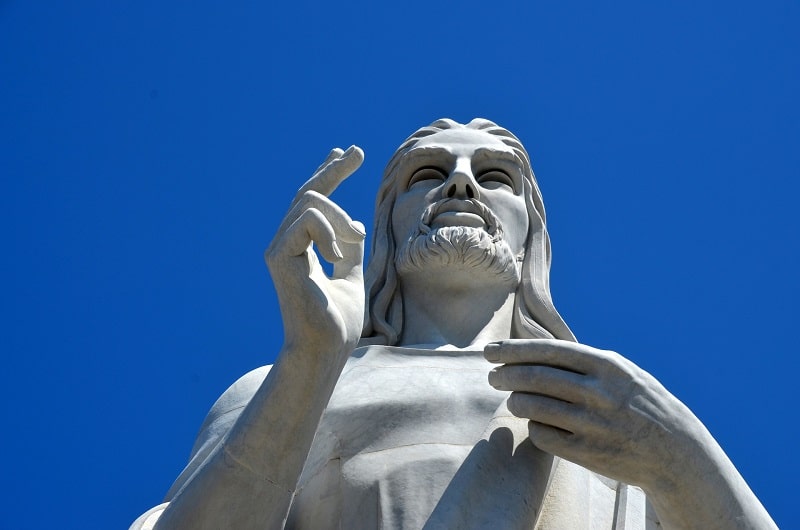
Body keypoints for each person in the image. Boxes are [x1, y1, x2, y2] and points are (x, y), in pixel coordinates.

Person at [132, 119, 776, 529]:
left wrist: (683, 460)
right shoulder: (288, 384)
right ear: (386, 226)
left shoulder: (610, 406)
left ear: (532, 239)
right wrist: (310, 362)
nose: (461, 186)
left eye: (494, 175)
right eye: (427, 174)